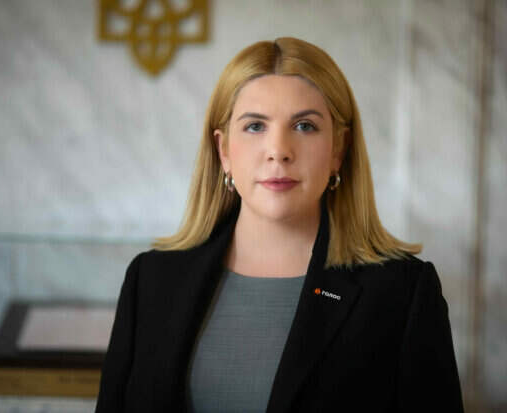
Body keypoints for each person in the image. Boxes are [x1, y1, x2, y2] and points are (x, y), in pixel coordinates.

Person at [95, 37, 464, 413]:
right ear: (224, 151)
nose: (278, 151)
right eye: (255, 126)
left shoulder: (402, 292)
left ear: (338, 149)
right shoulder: (151, 280)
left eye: (304, 126)